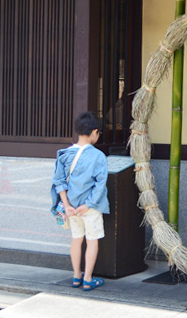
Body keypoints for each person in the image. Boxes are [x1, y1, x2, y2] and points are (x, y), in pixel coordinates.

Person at [51, 111, 109, 291]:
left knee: (76, 239)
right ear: (94, 132)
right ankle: (88, 279)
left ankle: (77, 276)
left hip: (72, 208)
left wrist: (67, 205)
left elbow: (59, 182)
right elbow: (100, 185)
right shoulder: (98, 156)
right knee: (92, 241)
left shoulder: (64, 154)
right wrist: (88, 204)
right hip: (89, 208)